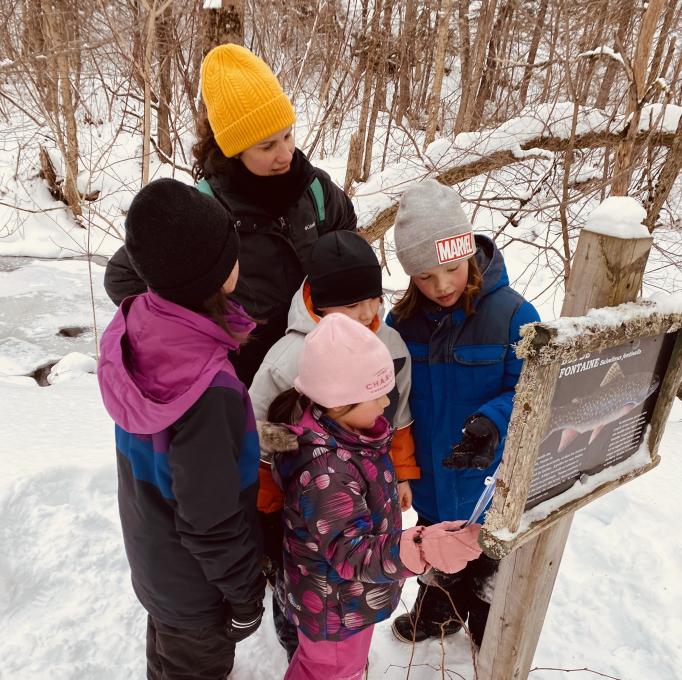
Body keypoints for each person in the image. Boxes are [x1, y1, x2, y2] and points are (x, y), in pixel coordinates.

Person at [104, 43, 357, 386]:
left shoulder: (314, 189)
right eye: (267, 146)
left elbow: (347, 237)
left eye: (287, 136)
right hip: (245, 382)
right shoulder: (204, 211)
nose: (285, 154)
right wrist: (202, 323)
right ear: (234, 150)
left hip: (318, 369)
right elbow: (123, 277)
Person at [97, 178, 265, 680]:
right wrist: (245, 596)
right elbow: (209, 521)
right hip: (197, 592)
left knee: (168, 660)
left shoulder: (138, 326)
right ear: (213, 274)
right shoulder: (208, 393)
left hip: (158, 567)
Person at [268, 313, 482, 680]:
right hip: (334, 605)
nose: (386, 402)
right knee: (329, 672)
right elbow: (351, 552)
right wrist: (422, 548)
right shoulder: (327, 470)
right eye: (376, 394)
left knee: (327, 667)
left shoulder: (347, 432)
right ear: (338, 402)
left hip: (346, 597)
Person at [249, 230, 420, 660]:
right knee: (297, 574)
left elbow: (394, 417)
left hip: (361, 492)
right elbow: (256, 431)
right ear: (320, 302)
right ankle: (296, 641)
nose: (366, 313)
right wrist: (266, 508)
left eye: (373, 298)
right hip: (299, 498)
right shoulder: (289, 357)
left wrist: (401, 472)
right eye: (350, 305)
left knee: (344, 567)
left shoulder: (389, 344)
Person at [386, 179, 541, 648]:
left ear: (467, 253)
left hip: (488, 482)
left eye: (450, 269)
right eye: (424, 277)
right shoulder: (401, 323)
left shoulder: (514, 316)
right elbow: (393, 402)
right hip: (432, 476)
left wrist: (493, 421)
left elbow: (533, 392)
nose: (441, 286)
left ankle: (486, 624)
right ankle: (438, 611)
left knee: (487, 561)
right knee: (436, 549)